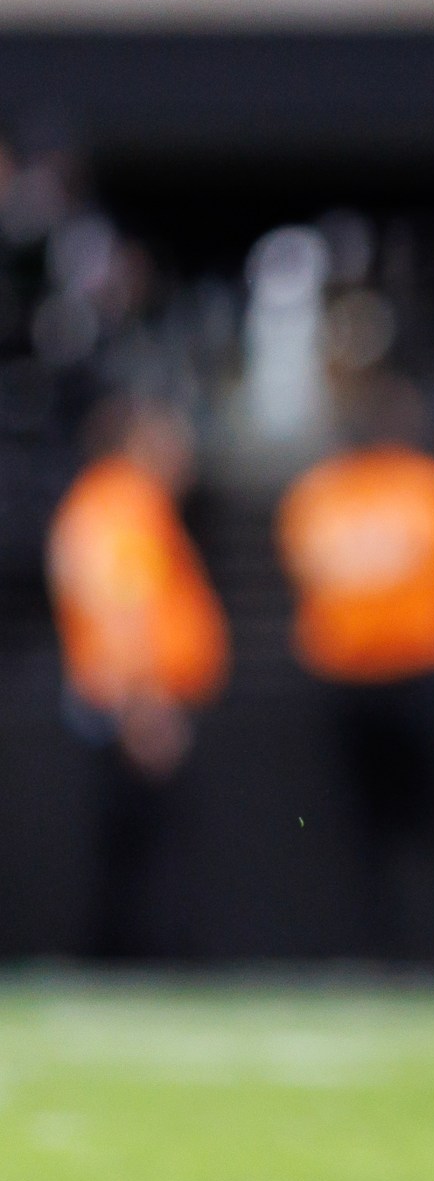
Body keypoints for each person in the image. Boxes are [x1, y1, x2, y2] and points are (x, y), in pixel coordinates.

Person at [275, 376, 434, 955]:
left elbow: (306, 574)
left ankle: (428, 952)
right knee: (402, 825)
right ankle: (425, 952)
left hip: (393, 678)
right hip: (389, 678)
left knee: (415, 826)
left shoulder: (323, 495)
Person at [46, 399, 227, 957]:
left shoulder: (103, 502)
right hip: (135, 705)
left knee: (125, 851)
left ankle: (122, 963)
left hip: (118, 702)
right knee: (147, 857)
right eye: (168, 438)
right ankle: (144, 965)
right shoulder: (123, 503)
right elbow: (123, 613)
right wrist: (145, 705)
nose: (183, 453)